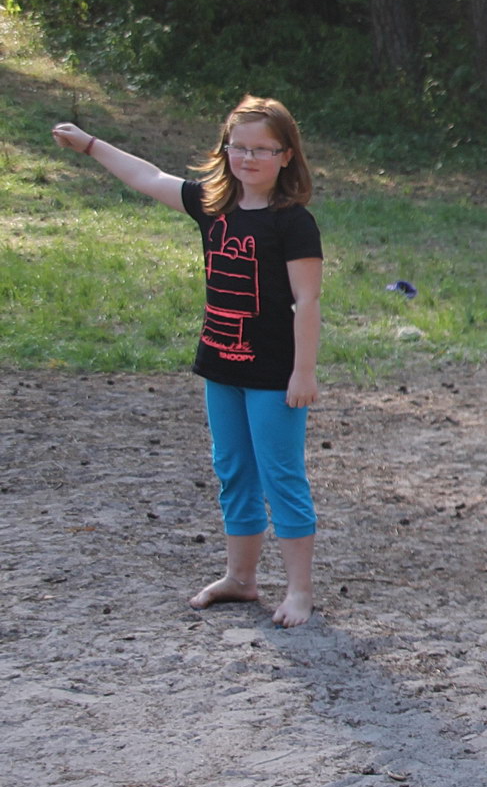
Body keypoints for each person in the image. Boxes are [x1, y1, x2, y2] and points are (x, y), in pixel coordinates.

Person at [51, 97, 324, 627]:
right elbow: (149, 176)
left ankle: (299, 591)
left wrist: (304, 371)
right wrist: (89, 145)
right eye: (239, 147)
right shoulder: (212, 204)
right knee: (233, 471)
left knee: (281, 476)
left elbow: (307, 300)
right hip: (220, 366)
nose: (248, 158)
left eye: (262, 149)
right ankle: (241, 579)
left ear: (286, 155)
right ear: (225, 149)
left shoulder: (292, 222)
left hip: (275, 376)